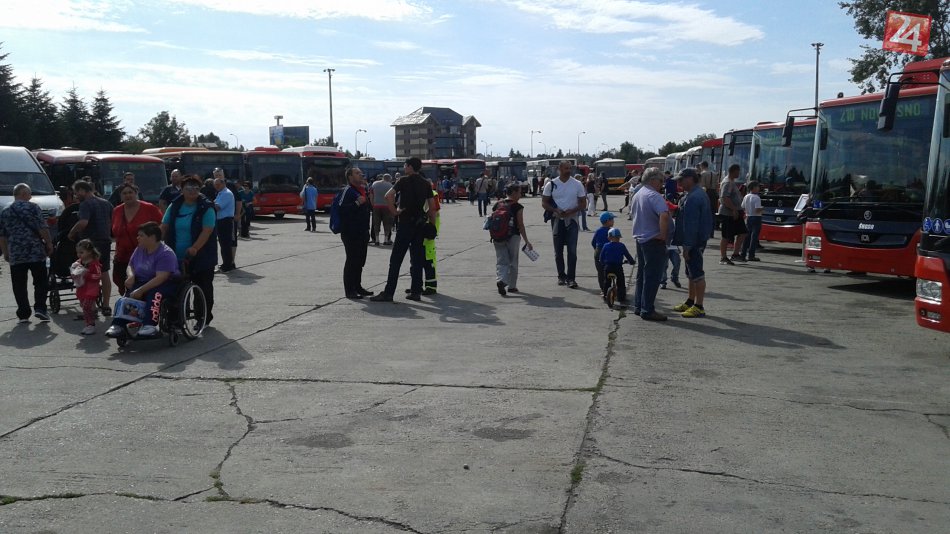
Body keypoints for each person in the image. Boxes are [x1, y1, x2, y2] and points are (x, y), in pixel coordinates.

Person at [370, 157, 438, 302]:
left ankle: (389, 292)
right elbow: (432, 208)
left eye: (405, 165)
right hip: (419, 225)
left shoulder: (403, 181)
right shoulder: (426, 183)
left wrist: (395, 211)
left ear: (410, 167)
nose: (404, 168)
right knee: (417, 260)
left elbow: (388, 195)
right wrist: (432, 225)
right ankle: (416, 292)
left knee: (396, 260)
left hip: (405, 224)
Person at [105, 222, 180, 338]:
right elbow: (131, 265)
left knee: (154, 294)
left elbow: (161, 277)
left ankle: (149, 325)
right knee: (127, 297)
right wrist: (131, 276)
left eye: (141, 235)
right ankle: (118, 324)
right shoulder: (140, 249)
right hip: (143, 281)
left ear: (152, 237)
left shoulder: (165, 253)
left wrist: (141, 290)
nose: (137, 238)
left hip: (164, 283)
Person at [160, 175, 217, 325]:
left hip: (201, 255)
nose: (193, 190)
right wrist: (155, 243)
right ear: (182, 189)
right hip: (175, 255)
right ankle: (177, 318)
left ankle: (202, 317)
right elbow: (164, 226)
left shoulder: (206, 206)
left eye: (196, 188)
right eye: (189, 188)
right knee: (175, 288)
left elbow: (207, 231)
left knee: (202, 287)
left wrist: (195, 248)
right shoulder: (175, 205)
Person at [0, 183, 53, 323]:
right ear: (23, 193)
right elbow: (42, 228)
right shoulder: (33, 207)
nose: (30, 197)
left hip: (16, 253)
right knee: (40, 281)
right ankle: (40, 308)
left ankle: (23, 313)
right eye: (29, 194)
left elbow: (2, 235)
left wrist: (5, 252)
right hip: (36, 252)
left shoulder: (5, 211)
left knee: (19, 285)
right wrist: (49, 243)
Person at [672, 167, 714, 318]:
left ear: (690, 179)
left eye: (681, 180)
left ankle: (699, 306)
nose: (679, 183)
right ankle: (690, 301)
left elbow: (691, 225)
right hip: (695, 240)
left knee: (696, 273)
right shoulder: (695, 194)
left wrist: (687, 247)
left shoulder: (693, 198)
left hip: (694, 242)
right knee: (690, 273)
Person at [629, 167, 670, 321]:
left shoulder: (638, 194)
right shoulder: (654, 196)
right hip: (653, 240)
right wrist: (663, 235)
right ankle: (647, 309)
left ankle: (639, 306)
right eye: (660, 181)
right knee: (652, 276)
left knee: (642, 274)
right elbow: (664, 215)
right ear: (653, 180)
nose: (662, 184)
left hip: (641, 239)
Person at [69, 179, 114, 316]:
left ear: (82, 190)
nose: (76, 196)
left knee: (88, 273)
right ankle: (106, 305)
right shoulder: (106, 203)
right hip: (105, 240)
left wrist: (71, 232)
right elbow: (111, 221)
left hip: (90, 242)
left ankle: (91, 307)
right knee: (104, 272)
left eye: (76, 192)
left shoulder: (85, 204)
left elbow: (83, 222)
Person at [541, 160, 587, 288]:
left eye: (570, 168)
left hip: (572, 220)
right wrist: (555, 210)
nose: (568, 171)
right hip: (557, 220)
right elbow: (544, 202)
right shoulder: (551, 184)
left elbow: (583, 203)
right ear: (559, 169)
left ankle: (571, 278)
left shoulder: (577, 184)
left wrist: (572, 211)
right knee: (558, 251)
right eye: (566, 168)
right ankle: (561, 276)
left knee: (572, 251)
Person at [111, 184, 162, 294]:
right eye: (124, 193)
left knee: (141, 286)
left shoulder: (149, 208)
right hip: (122, 256)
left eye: (130, 192)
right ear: (120, 196)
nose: (128, 195)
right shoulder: (117, 211)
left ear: (136, 193)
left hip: (144, 255)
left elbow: (161, 227)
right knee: (122, 283)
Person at [338, 167, 373, 299]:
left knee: (360, 261)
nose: (361, 175)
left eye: (361, 173)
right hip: (350, 232)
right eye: (357, 173)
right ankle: (349, 290)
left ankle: (357, 286)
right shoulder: (347, 190)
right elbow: (342, 210)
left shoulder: (362, 190)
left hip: (362, 231)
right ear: (350, 177)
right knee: (352, 260)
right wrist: (357, 203)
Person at [492, 184, 532, 295]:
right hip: (513, 236)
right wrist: (526, 241)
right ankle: (512, 286)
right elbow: (520, 225)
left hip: (498, 236)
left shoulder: (497, 204)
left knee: (501, 260)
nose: (520, 195)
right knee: (513, 261)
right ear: (514, 193)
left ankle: (501, 279)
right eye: (519, 192)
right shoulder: (517, 206)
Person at [718, 163, 748, 265]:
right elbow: (725, 198)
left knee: (743, 232)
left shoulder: (731, 182)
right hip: (728, 213)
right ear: (734, 171)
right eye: (738, 171)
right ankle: (723, 257)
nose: (739, 173)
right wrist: (734, 209)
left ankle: (735, 254)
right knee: (726, 235)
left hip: (736, 212)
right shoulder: (727, 183)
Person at [71, 239, 102, 335]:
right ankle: (88, 324)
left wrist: (86, 274)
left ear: (89, 252)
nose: (79, 255)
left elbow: (98, 276)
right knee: (84, 307)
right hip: (81, 289)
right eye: (78, 252)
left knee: (86, 307)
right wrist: (74, 273)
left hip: (91, 290)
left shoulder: (94, 263)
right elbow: (74, 272)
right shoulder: (79, 262)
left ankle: (91, 325)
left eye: (81, 252)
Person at [599, 228, 635, 306]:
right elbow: (628, 255)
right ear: (619, 237)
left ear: (609, 237)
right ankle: (621, 298)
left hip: (608, 267)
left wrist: (603, 263)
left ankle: (605, 295)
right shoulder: (621, 246)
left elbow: (601, 258)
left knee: (606, 281)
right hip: (618, 268)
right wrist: (632, 262)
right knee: (621, 282)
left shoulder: (605, 246)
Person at [419, 186, 440, 294]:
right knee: (417, 261)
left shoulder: (432, 194)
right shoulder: (417, 192)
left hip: (427, 231)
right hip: (420, 230)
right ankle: (417, 285)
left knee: (429, 260)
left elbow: (433, 211)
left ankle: (431, 286)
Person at [213, 175, 236, 272]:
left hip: (225, 221)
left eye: (218, 184)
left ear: (223, 183)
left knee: (226, 244)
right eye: (215, 185)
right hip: (220, 220)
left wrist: (208, 204)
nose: (216, 187)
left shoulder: (226, 193)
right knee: (223, 244)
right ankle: (225, 263)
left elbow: (218, 207)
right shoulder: (220, 193)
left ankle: (227, 266)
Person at [591, 212, 615, 297]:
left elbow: (593, 242)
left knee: (600, 272)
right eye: (612, 219)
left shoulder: (598, 231)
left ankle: (603, 289)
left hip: (598, 252)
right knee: (609, 271)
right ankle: (609, 288)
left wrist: (596, 249)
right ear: (608, 221)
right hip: (608, 254)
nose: (613, 221)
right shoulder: (612, 231)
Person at [739, 181, 763, 262]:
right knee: (754, 237)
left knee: (747, 237)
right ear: (754, 188)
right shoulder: (756, 197)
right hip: (756, 217)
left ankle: (743, 254)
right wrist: (763, 209)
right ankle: (751, 255)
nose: (759, 188)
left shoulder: (746, 196)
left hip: (748, 217)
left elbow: (742, 206)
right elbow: (757, 210)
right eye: (758, 187)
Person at [370, 174, 394, 245]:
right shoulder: (390, 185)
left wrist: (373, 204)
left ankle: (377, 240)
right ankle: (386, 240)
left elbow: (371, 195)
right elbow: (392, 197)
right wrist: (391, 205)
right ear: (389, 179)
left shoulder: (374, 184)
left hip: (376, 206)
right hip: (386, 206)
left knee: (376, 223)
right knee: (387, 223)